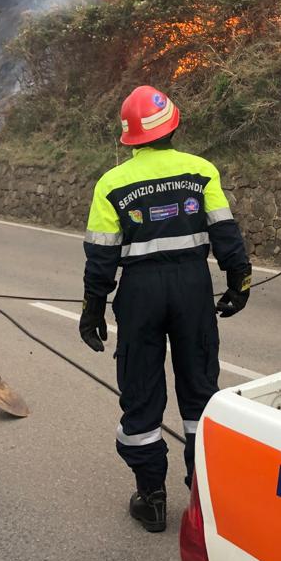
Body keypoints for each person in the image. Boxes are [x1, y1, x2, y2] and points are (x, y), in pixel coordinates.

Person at [80, 85, 251, 533]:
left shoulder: (111, 184)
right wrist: (239, 281)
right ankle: (202, 495)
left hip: (139, 293)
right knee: (199, 389)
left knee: (141, 389)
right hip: (193, 287)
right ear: (174, 124)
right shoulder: (201, 171)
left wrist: (93, 308)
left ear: (129, 138)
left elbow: (101, 256)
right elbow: (226, 233)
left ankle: (152, 497)